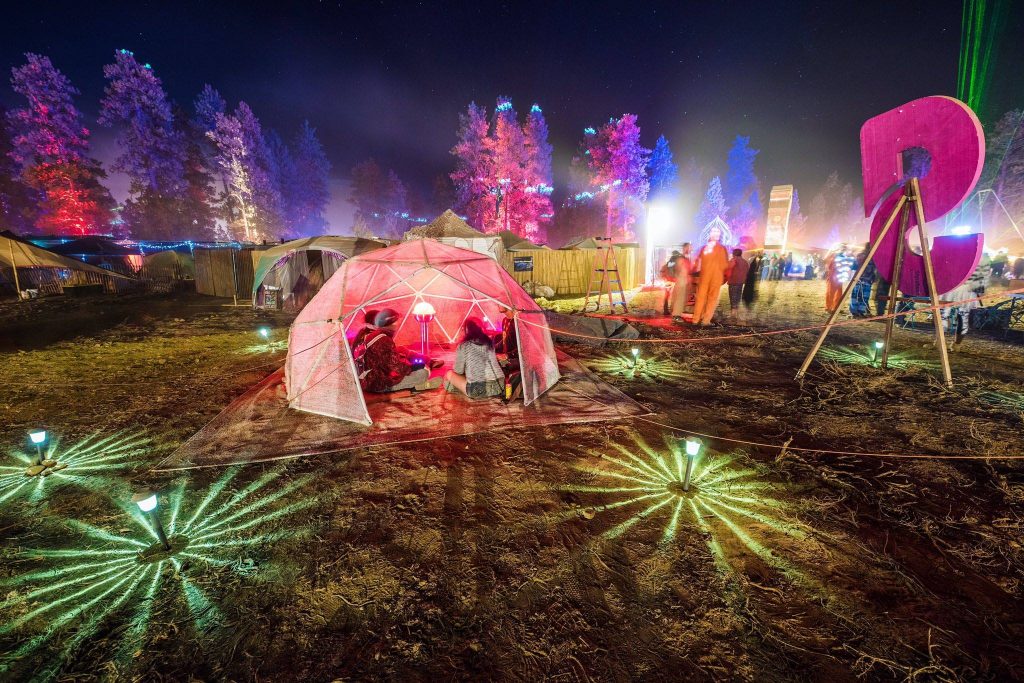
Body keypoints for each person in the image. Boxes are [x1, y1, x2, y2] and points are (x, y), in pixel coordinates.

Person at [355, 308, 433, 392]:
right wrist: (416, 367)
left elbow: (386, 363)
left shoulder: (368, 334)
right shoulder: (382, 339)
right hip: (377, 384)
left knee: (404, 357)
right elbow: (396, 367)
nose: (397, 324)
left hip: (365, 379)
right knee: (423, 373)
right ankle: (416, 382)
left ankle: (416, 378)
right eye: (395, 321)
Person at [444, 317, 505, 400]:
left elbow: (458, 370)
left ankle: (452, 386)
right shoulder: (488, 342)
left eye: (462, 329)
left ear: (466, 330)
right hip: (500, 386)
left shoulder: (463, 345)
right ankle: (456, 387)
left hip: (478, 389)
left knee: (449, 374)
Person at [690, 228, 730, 325]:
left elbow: (697, 263)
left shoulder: (704, 248)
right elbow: (724, 265)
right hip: (716, 277)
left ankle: (695, 319)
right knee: (712, 299)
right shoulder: (721, 248)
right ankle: (706, 320)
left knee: (700, 297)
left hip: (704, 276)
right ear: (719, 236)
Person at [849, 244, 876, 317]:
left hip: (857, 280)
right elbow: (875, 270)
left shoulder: (859, 255)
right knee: (864, 297)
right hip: (867, 281)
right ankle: (861, 312)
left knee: (855, 296)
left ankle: (854, 312)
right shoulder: (873, 257)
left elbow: (853, 268)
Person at [668, 243, 693, 321]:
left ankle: (675, 311)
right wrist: (678, 276)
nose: (691, 249)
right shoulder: (681, 258)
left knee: (679, 297)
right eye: (689, 247)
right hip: (681, 280)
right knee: (680, 297)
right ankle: (676, 315)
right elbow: (679, 268)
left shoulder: (685, 258)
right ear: (685, 248)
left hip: (683, 280)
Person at [726, 248, 749, 314]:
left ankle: (733, 311)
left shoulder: (734, 260)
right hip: (741, 281)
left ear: (734, 254)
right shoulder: (745, 261)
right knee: (738, 295)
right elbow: (747, 271)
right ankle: (737, 309)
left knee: (733, 295)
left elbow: (729, 267)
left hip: (733, 280)